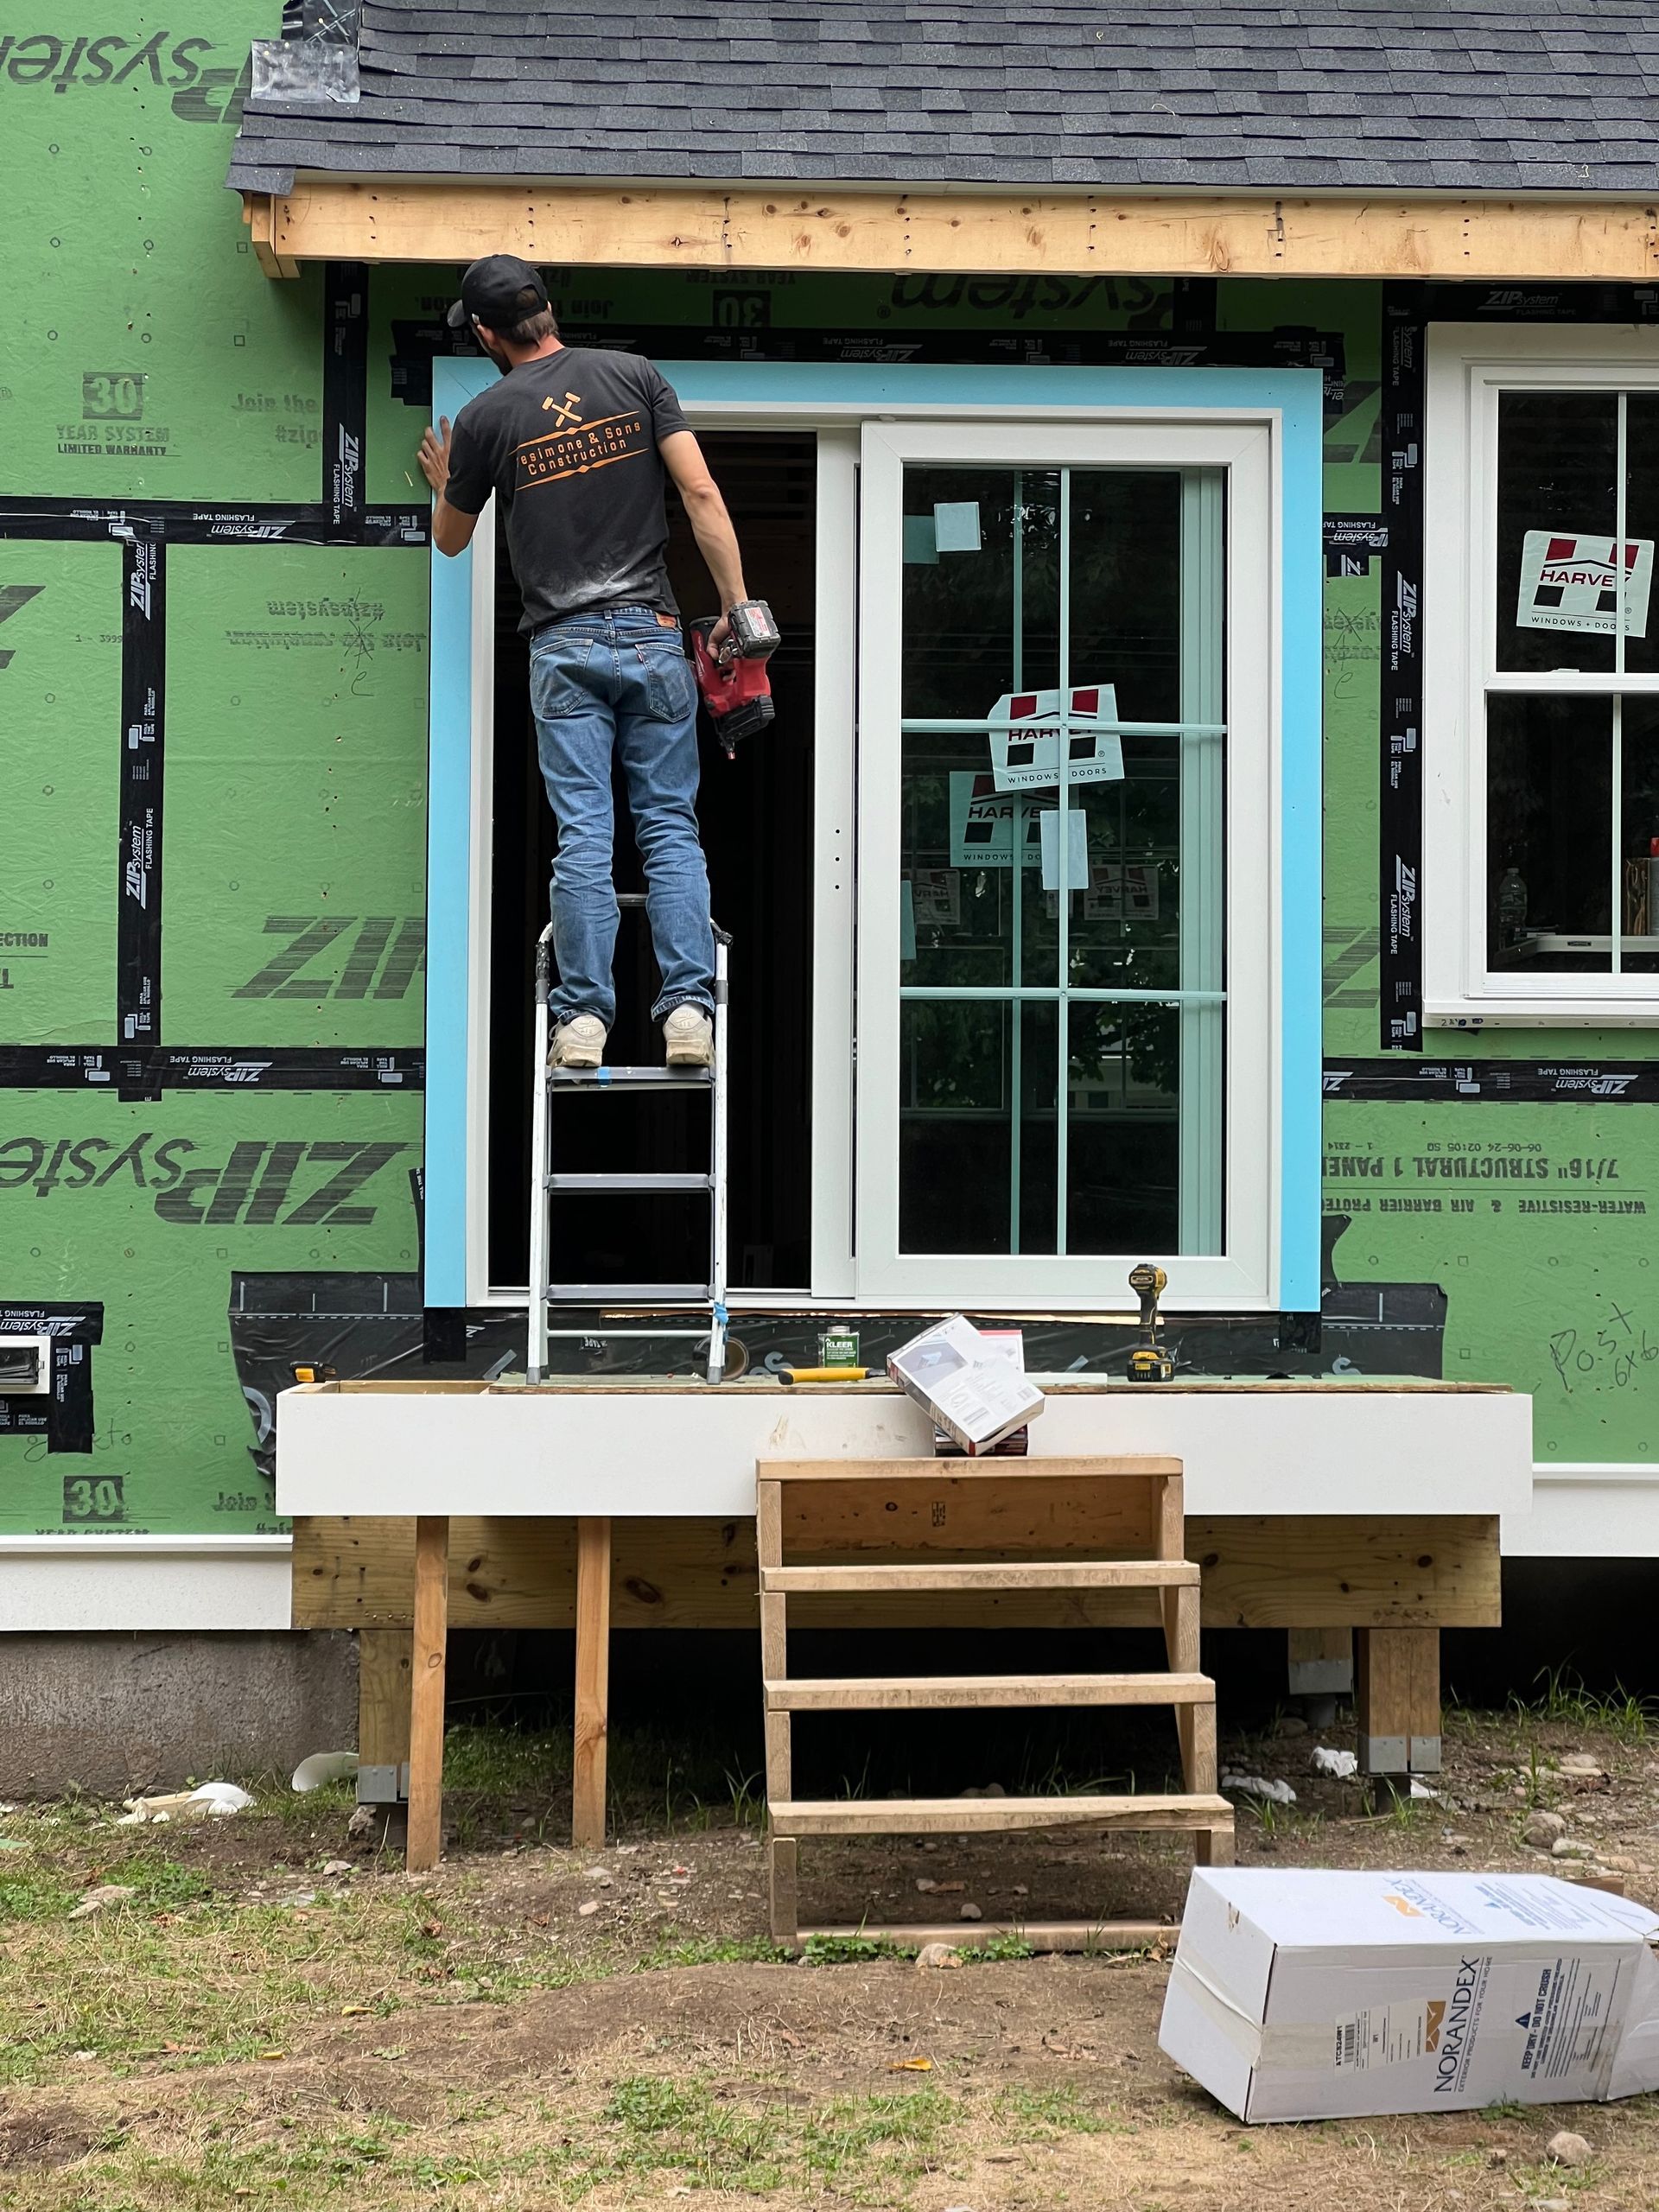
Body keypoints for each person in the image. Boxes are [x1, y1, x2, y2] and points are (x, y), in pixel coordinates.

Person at [417, 253, 751, 1069]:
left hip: (564, 646)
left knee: (585, 834)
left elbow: (451, 540)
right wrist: (737, 610)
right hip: (651, 632)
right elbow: (702, 495)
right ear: (548, 309)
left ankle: (583, 1023)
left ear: (487, 334)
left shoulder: (488, 416)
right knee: (669, 826)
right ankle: (688, 1014)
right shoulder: (635, 376)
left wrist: (448, 483)